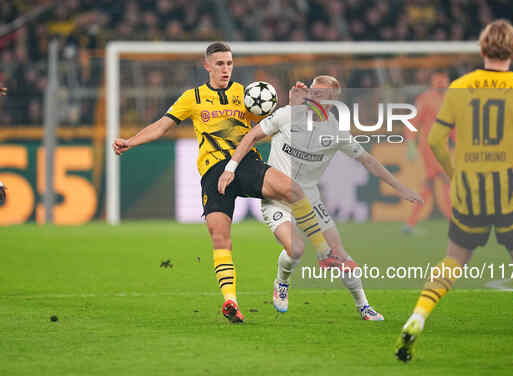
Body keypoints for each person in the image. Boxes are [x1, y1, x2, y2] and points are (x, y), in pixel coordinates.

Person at [113, 42, 336, 324]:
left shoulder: (246, 94)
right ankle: (230, 301)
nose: (226, 69)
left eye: (229, 64)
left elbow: (272, 125)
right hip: (213, 172)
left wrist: (294, 104)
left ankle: (323, 252)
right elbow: (161, 126)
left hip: (245, 164)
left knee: (293, 189)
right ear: (207, 66)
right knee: (220, 237)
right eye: (220, 64)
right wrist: (130, 142)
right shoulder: (192, 98)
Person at [394, 20, 513, 365]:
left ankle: (418, 315)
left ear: (482, 50)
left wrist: (456, 176)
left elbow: (435, 140)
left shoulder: (459, 87)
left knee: (453, 260)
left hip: (470, 191)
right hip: (510, 191)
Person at [218, 75, 423, 320]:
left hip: (310, 200)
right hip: (277, 196)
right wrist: (231, 167)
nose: (314, 97)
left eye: (321, 94)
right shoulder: (288, 114)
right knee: (295, 250)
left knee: (337, 253)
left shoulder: (336, 132)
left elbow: (368, 161)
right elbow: (251, 136)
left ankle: (363, 306)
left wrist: (400, 188)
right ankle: (282, 282)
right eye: (313, 92)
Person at [403, 71, 453, 234]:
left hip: (442, 146)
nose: (442, 85)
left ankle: (410, 224)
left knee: (429, 186)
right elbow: (412, 122)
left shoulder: (449, 99)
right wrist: (410, 143)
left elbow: (453, 126)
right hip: (430, 147)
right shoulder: (425, 99)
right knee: (446, 180)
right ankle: (455, 225)